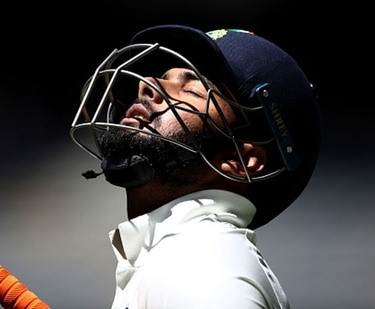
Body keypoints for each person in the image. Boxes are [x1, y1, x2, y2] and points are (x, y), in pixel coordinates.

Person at [70, 24, 321, 309]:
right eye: (164, 77)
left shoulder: (200, 262)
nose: (146, 84)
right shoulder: (187, 257)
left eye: (191, 91)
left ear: (240, 161)